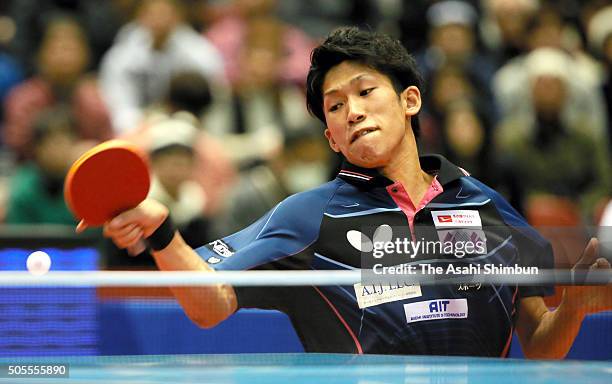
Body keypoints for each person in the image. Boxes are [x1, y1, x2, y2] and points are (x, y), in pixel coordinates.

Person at [91, 27, 612, 357]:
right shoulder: (308, 217)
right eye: (335, 107)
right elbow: (210, 303)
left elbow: (539, 342)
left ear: (410, 100)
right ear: (330, 136)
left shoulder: (486, 207)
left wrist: (574, 311)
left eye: (365, 92)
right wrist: (163, 234)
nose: (352, 111)